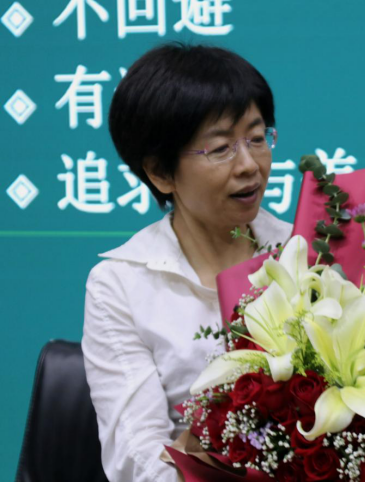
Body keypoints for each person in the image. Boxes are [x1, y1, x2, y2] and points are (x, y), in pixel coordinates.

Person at [82, 43, 292, 482]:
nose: (250, 165)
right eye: (221, 148)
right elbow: (137, 460)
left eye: (257, 138)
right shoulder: (119, 285)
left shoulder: (304, 249)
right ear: (160, 173)